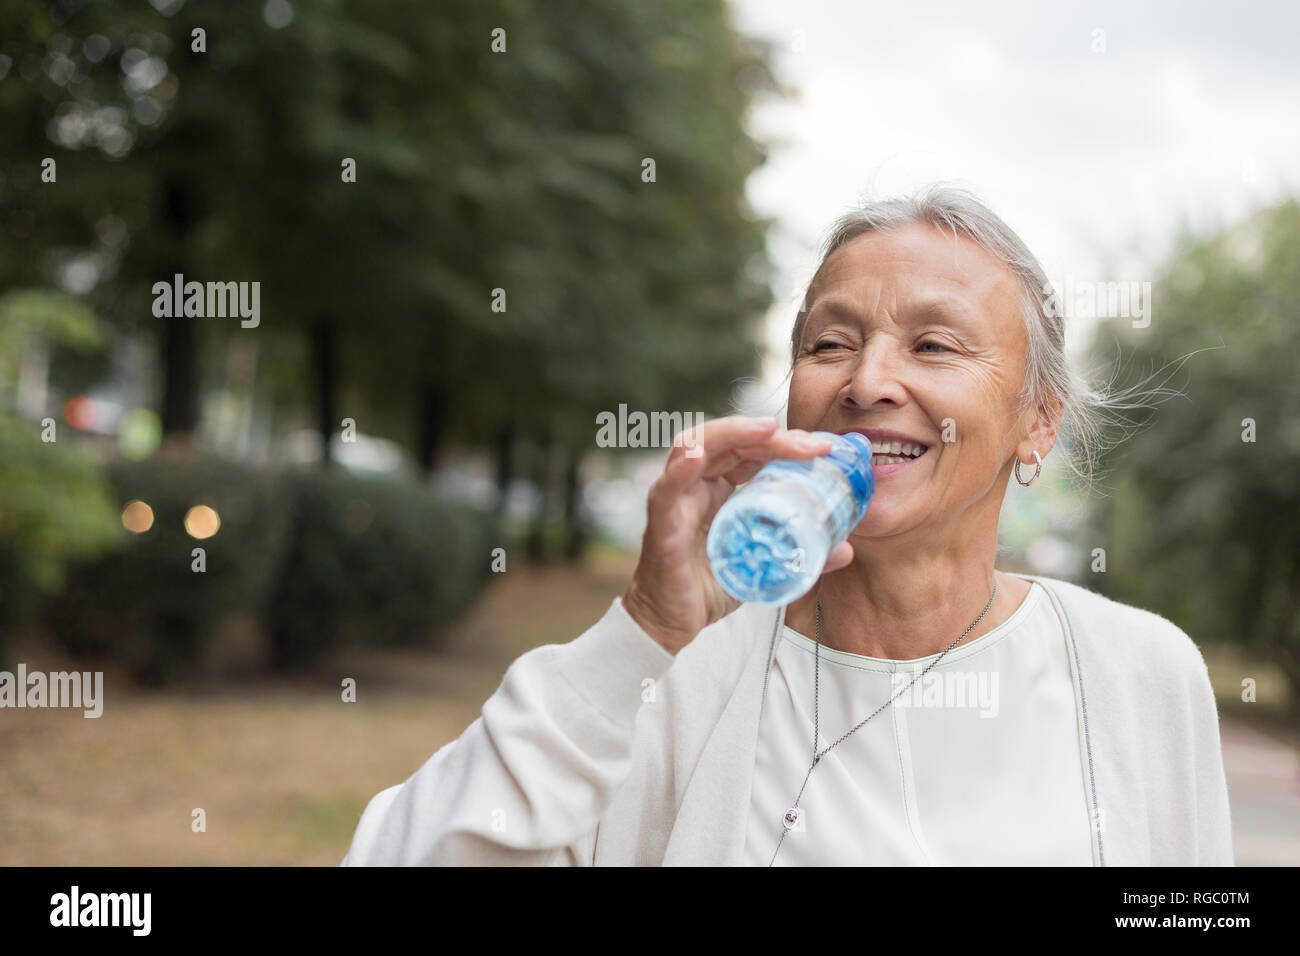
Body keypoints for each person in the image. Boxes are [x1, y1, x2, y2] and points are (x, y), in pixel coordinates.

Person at [341, 185, 1233, 866]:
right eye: (830, 343)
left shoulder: (1139, 675)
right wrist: (639, 638)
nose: (869, 381)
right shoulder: (681, 680)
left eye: (933, 345)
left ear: (1039, 419)